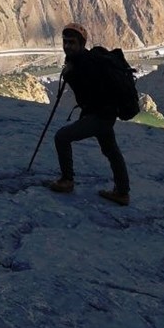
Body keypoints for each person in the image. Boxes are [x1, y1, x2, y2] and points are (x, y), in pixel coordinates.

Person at [49, 23, 130, 205]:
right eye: (65, 42)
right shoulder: (85, 60)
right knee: (111, 150)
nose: (67, 46)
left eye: (72, 43)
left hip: (100, 116)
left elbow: (85, 91)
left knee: (62, 137)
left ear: (81, 44)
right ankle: (122, 192)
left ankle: (67, 180)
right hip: (105, 115)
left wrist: (70, 74)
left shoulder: (84, 64)